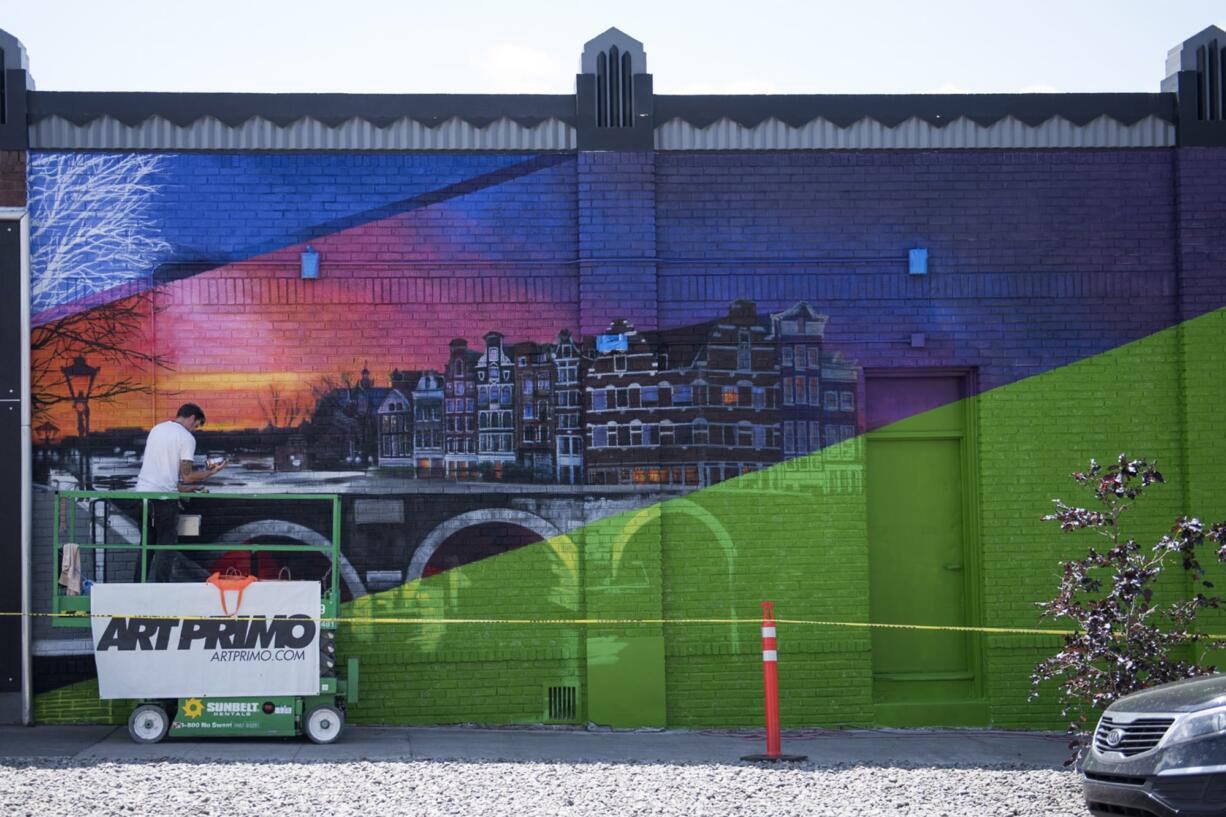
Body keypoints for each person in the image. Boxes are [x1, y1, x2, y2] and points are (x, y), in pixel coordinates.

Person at [134, 403, 226, 581]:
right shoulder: (186, 438)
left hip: (143, 495)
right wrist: (212, 472)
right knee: (166, 546)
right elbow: (188, 475)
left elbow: (162, 474)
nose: (195, 429)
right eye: (196, 425)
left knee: (146, 545)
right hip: (164, 501)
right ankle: (162, 587)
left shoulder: (157, 429)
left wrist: (186, 488)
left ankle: (138, 585)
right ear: (192, 418)